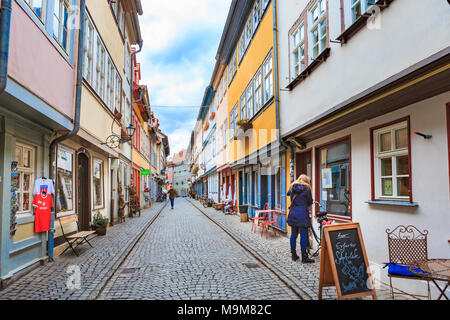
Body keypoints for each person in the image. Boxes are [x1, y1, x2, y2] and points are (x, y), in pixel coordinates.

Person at [287, 174, 315, 263]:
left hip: (293, 213)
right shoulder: (307, 189)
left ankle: (293, 254)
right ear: (306, 181)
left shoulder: (292, 187)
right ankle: (304, 256)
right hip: (302, 213)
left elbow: (288, 194)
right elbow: (310, 201)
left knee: (293, 235)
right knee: (303, 235)